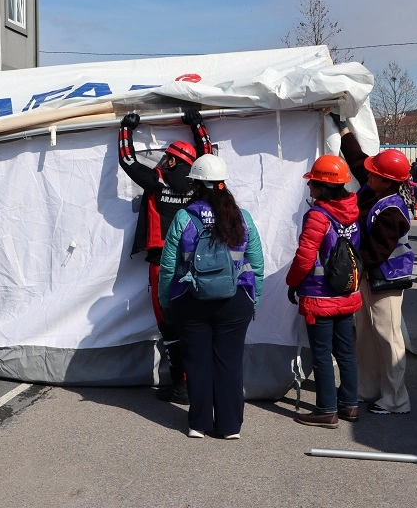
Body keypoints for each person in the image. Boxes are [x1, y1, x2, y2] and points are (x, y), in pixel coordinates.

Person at [158, 154, 264, 439]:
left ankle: (198, 424)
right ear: (222, 184)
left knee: (197, 361)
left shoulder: (184, 216)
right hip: (236, 299)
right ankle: (230, 427)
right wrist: (254, 298)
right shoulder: (242, 218)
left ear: (195, 184)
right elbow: (256, 262)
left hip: (192, 300)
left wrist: (166, 301)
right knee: (229, 361)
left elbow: (169, 265)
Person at [118, 109, 212, 404]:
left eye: (165, 157)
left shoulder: (155, 182)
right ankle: (199, 383)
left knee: (168, 324)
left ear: (171, 160)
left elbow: (127, 159)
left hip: (162, 264)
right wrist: (197, 125)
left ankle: (180, 384)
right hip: (195, 264)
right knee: (194, 322)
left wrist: (126, 129)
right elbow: (207, 153)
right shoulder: (199, 185)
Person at [337, 118, 414, 415]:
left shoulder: (392, 209)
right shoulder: (375, 190)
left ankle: (396, 399)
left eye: (375, 174)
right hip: (370, 278)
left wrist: (347, 270)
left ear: (387, 180)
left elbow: (376, 252)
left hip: (387, 279)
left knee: (388, 336)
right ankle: (368, 388)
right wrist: (344, 130)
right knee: (366, 334)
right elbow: (359, 161)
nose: (367, 174)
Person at [285, 155, 361, 428]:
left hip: (320, 295)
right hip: (346, 293)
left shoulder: (319, 215)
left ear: (323, 186)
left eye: (312, 183)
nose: (309, 188)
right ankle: (349, 405)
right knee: (346, 352)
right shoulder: (352, 210)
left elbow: (305, 256)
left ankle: (327, 410)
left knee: (321, 353)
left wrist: (292, 282)